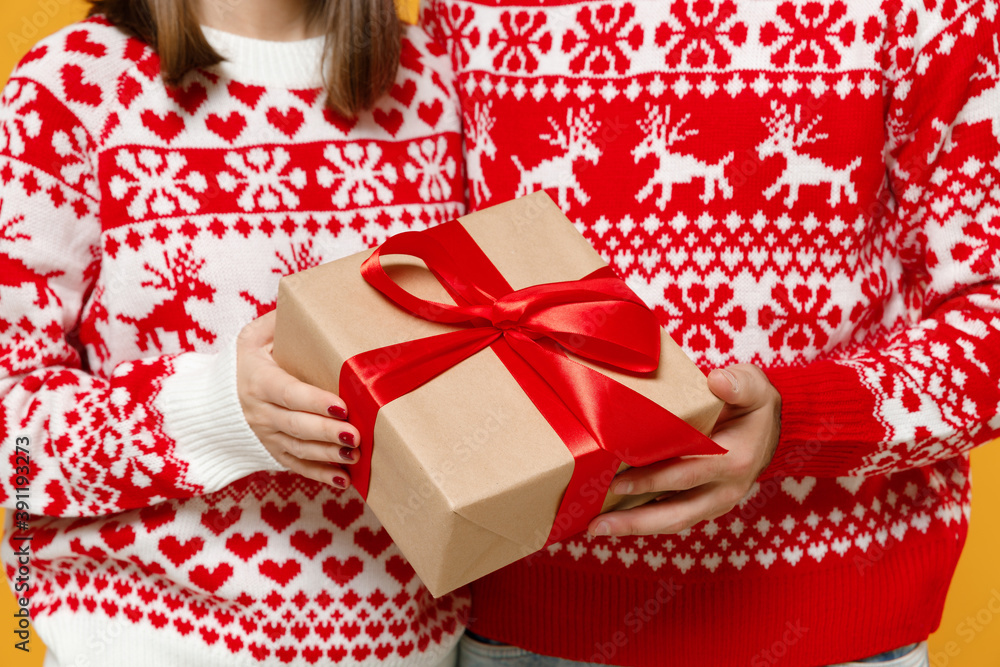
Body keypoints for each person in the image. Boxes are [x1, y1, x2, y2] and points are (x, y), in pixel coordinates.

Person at [424, 0, 1000, 665]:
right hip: (523, 620)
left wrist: (799, 419)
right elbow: (421, 271)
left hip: (831, 630)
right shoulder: (464, 9)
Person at [0, 0, 467, 664]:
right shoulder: (70, 87)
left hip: (414, 647)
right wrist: (216, 408)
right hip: (142, 643)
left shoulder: (438, 80)